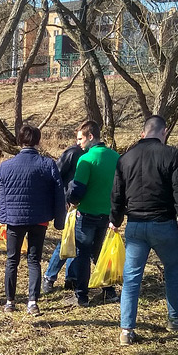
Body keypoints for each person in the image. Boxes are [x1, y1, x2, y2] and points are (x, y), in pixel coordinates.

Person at [109, 115, 178, 345]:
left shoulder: (125, 158)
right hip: (164, 225)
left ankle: (126, 330)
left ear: (143, 133)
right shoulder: (171, 154)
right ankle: (176, 319)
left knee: (131, 279)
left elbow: (117, 194)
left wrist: (115, 219)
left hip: (135, 226)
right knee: (173, 271)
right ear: (164, 131)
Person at [0, 125, 66, 315]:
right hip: (39, 219)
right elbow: (59, 193)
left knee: (12, 260)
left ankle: (9, 302)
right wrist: (59, 221)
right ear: (38, 141)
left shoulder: (6, 166)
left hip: (14, 219)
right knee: (34, 260)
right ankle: (32, 302)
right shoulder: (48, 164)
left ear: (20, 140)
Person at [65, 120, 120, 307]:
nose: (78, 143)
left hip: (87, 213)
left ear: (90, 137)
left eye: (81, 139)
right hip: (106, 214)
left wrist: (69, 197)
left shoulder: (86, 159)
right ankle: (109, 291)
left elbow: (77, 191)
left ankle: (81, 296)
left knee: (82, 254)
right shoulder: (116, 157)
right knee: (99, 253)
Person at [42, 131, 85, 294]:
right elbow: (56, 174)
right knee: (67, 239)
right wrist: (62, 198)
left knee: (78, 241)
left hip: (84, 204)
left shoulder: (90, 155)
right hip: (70, 204)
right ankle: (49, 276)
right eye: (78, 138)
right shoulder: (72, 153)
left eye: (81, 138)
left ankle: (71, 277)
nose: (79, 141)